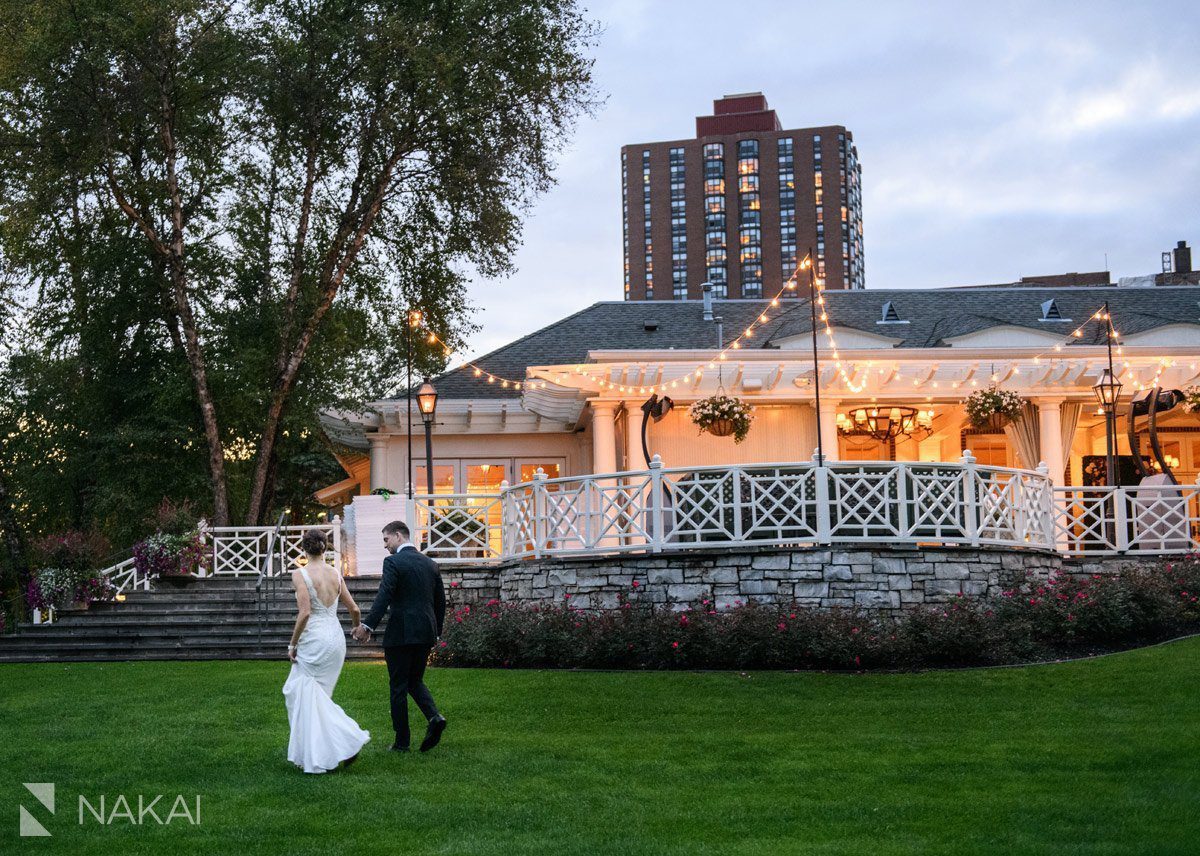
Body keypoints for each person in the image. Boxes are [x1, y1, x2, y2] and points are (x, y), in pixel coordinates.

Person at [352, 520, 447, 753]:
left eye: (386, 539)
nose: (385, 546)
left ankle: (402, 742)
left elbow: (384, 595)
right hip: (426, 632)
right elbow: (440, 602)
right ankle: (434, 718)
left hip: (401, 633)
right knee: (414, 681)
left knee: (398, 687)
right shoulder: (430, 564)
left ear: (398, 536)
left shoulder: (393, 562)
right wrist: (437, 632)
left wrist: (367, 626)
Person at [282, 529, 370, 773]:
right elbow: (355, 610)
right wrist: (355, 629)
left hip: (315, 641)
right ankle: (323, 750)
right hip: (335, 640)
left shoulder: (299, 574)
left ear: (304, 548)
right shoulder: (335, 574)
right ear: (325, 547)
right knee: (314, 697)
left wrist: (292, 644)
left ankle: (349, 740)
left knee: (303, 694)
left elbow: (305, 613)